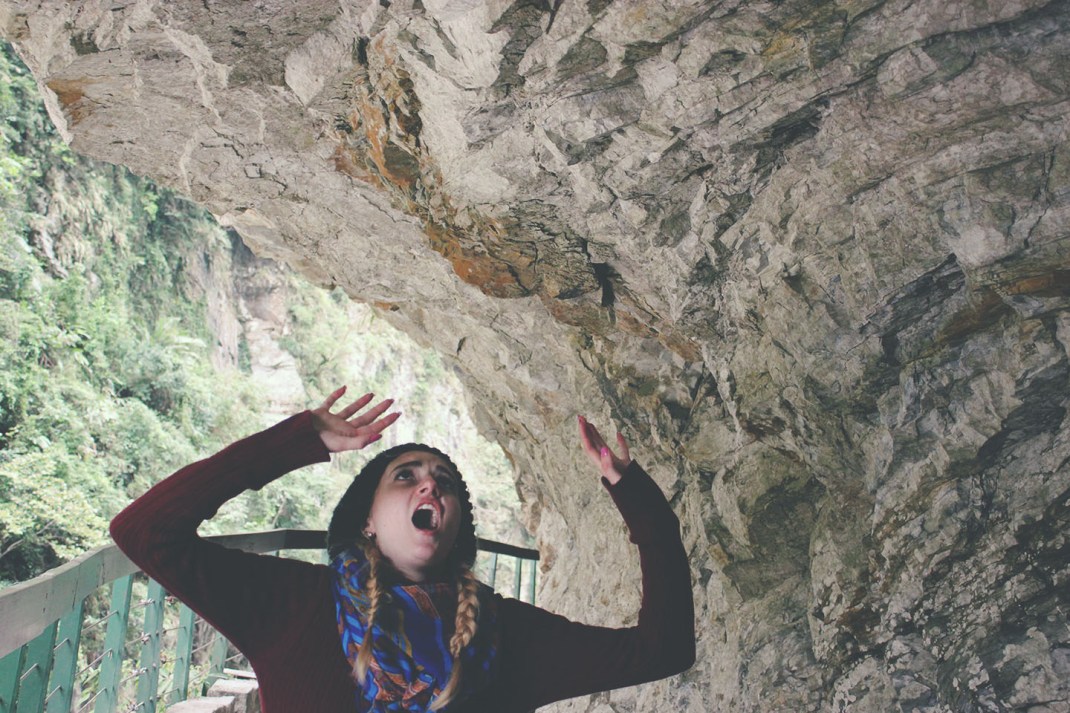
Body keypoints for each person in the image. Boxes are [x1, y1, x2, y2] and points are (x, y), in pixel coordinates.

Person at [110, 386, 695, 712]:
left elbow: (662, 650)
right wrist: (297, 440)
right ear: (366, 520)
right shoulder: (296, 604)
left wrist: (636, 497)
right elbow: (145, 532)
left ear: (456, 527)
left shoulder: (505, 630)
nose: (429, 487)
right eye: (405, 476)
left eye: (444, 482)